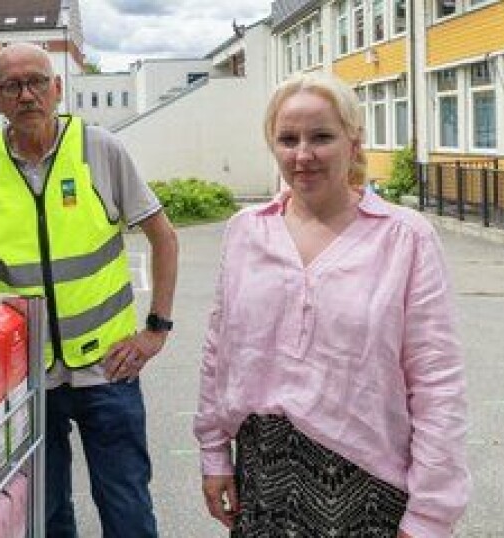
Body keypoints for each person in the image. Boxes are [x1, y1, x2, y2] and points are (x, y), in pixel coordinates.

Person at [194, 72, 470, 538]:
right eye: (288, 139)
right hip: (262, 478)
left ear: (353, 142)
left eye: (321, 137)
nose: (303, 155)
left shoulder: (405, 238)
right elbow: (218, 352)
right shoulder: (246, 231)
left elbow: (436, 381)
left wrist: (430, 512)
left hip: (369, 485)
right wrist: (214, 453)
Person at [0, 42, 178, 537]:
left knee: (127, 510)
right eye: (11, 86)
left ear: (57, 89)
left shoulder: (98, 148)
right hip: (28, 375)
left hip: (109, 367)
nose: (26, 95)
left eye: (37, 82)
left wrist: (156, 329)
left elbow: (164, 237)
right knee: (44, 516)